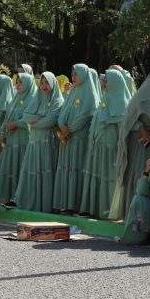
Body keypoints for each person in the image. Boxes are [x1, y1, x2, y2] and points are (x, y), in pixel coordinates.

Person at [110, 65, 150, 220]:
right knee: (139, 177)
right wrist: (141, 128)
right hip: (139, 146)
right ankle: (134, 217)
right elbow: (127, 121)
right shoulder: (141, 96)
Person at [80, 70, 131, 218]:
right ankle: (95, 209)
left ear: (115, 83)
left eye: (107, 81)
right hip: (98, 148)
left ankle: (109, 211)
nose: (104, 84)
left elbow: (122, 132)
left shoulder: (122, 104)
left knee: (109, 179)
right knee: (97, 176)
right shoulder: (104, 100)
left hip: (111, 150)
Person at [13, 72, 65, 212]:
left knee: (45, 171)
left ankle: (45, 205)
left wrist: (36, 122)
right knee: (32, 171)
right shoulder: (37, 98)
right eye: (42, 83)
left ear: (53, 84)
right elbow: (26, 115)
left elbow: (52, 119)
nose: (44, 86)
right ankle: (29, 202)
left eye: (47, 83)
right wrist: (39, 118)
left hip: (48, 143)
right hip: (34, 142)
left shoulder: (57, 100)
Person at [53, 64, 100, 213]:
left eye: (76, 74)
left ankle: (75, 204)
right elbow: (62, 111)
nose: (73, 77)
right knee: (66, 169)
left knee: (76, 169)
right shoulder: (73, 91)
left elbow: (86, 115)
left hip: (79, 139)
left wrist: (70, 129)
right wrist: (62, 125)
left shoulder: (90, 94)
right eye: (72, 74)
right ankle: (65, 203)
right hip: (66, 138)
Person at [0, 73, 37, 204]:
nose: (18, 85)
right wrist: (4, 129)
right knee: (10, 168)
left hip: (23, 140)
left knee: (19, 168)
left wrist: (15, 124)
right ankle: (7, 198)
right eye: (17, 82)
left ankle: (19, 199)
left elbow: (32, 120)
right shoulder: (16, 98)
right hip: (11, 140)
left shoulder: (33, 99)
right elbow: (8, 116)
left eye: (21, 82)